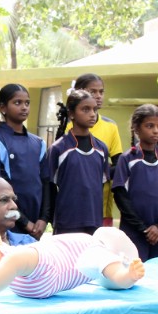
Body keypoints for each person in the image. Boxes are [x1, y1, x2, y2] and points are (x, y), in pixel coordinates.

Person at [0, 227, 144, 301]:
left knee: (13, 259)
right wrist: (2, 248)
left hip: (48, 271)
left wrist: (128, 276)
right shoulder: (92, 245)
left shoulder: (98, 252)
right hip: (35, 266)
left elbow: (115, 273)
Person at [113, 105, 158, 260]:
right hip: (134, 233)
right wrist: (143, 228)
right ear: (136, 129)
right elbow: (121, 197)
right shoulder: (127, 159)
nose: (156, 131)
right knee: (134, 274)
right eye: (149, 126)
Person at [0, 83, 49, 239]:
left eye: (27, 103)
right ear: (3, 108)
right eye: (17, 103)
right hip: (7, 225)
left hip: (36, 226)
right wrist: (24, 222)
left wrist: (43, 219)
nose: (24, 107)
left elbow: (46, 183)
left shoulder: (38, 143)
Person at [48, 89, 110, 235]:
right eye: (85, 109)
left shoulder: (101, 149)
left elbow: (99, 187)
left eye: (94, 109)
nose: (92, 114)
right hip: (67, 222)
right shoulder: (58, 148)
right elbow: (49, 188)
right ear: (71, 114)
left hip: (94, 221)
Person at [66, 74, 124, 227]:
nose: (98, 96)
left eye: (101, 92)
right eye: (93, 92)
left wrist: (98, 173)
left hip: (101, 206)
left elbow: (118, 164)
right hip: (72, 207)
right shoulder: (66, 128)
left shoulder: (110, 126)